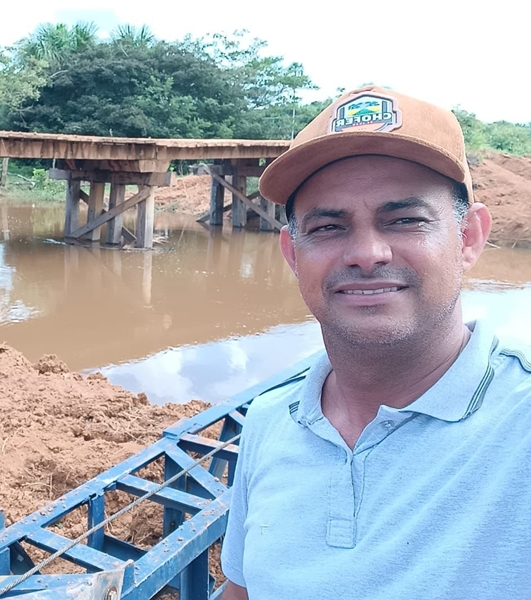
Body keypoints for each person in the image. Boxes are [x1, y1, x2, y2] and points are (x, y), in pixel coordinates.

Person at [219, 86, 531, 599]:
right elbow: (243, 590)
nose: (367, 253)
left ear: (469, 238)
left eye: (405, 220)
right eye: (327, 226)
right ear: (293, 254)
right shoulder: (271, 420)